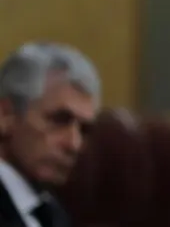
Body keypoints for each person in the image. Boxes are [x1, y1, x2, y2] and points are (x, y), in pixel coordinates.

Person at [0, 42, 101, 227]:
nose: (74, 144)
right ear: (6, 115)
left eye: (84, 130)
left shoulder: (53, 212)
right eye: (59, 120)